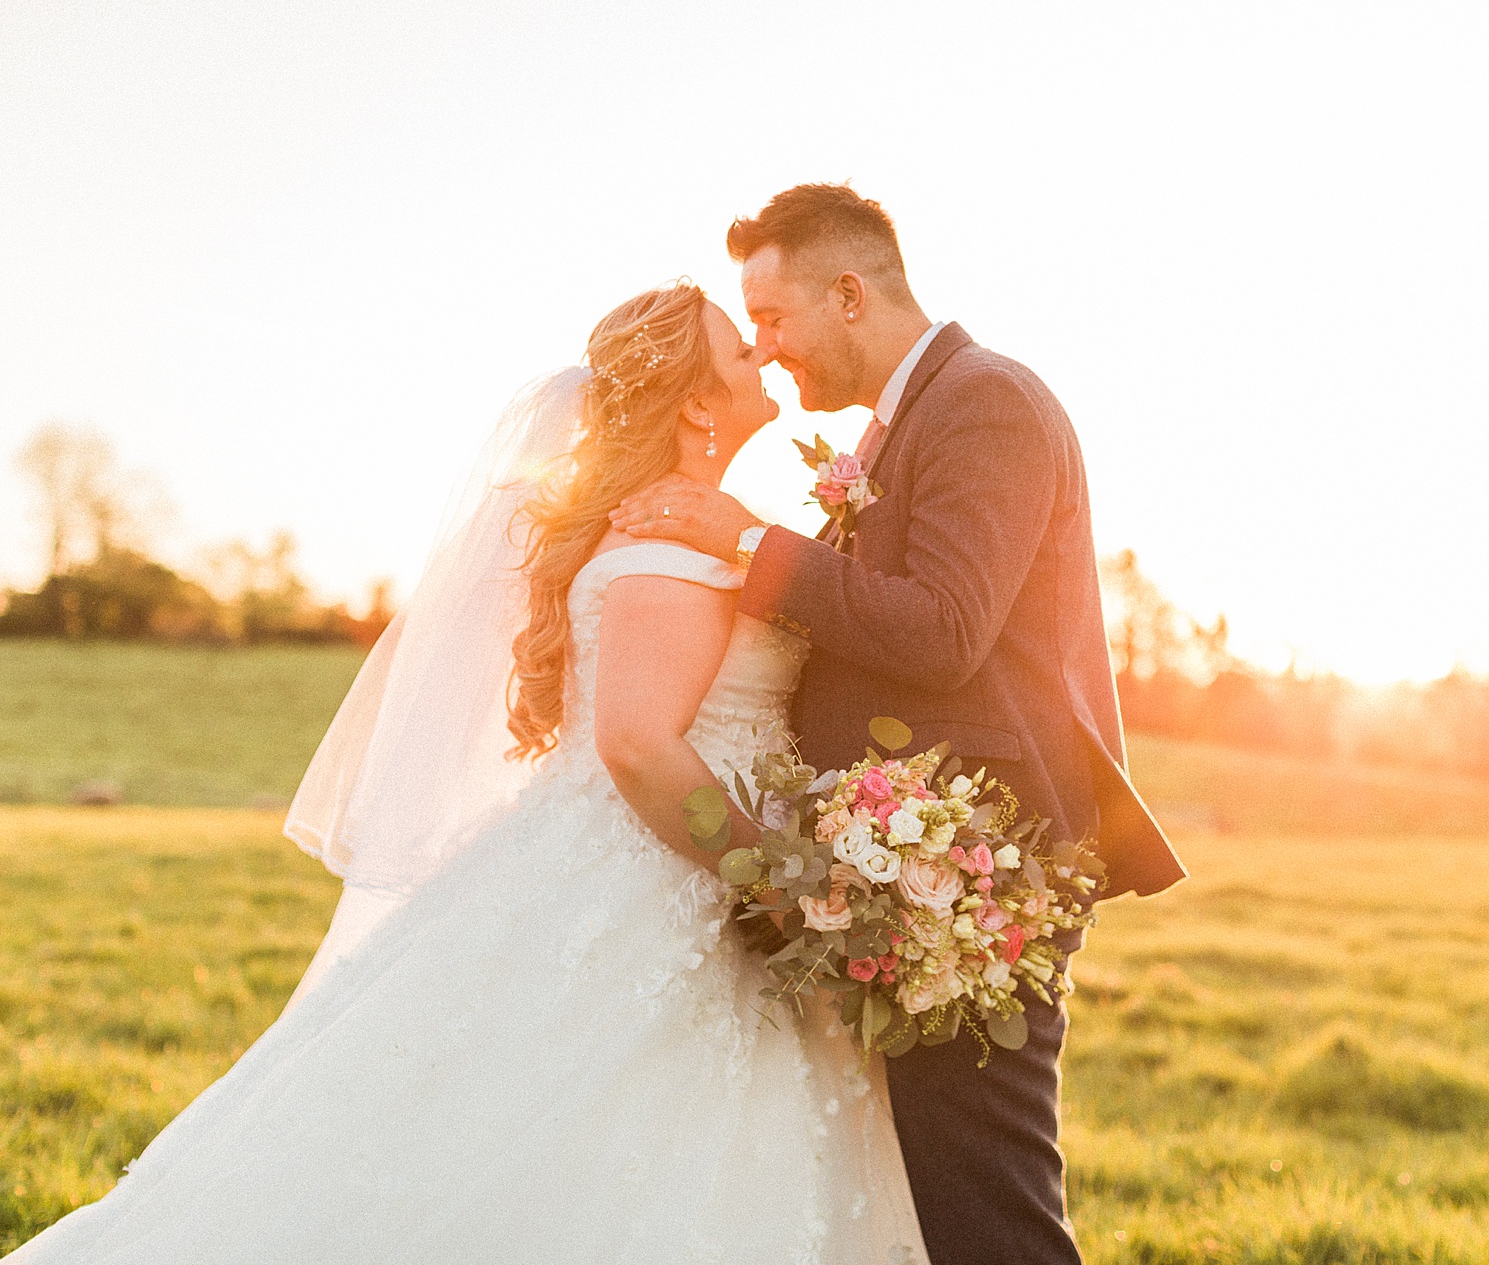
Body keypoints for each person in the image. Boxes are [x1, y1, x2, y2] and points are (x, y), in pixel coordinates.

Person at [9, 283, 930, 1264]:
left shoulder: (694, 525)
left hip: (628, 863)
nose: (760, 353)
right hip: (671, 879)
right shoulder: (665, 544)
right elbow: (635, 744)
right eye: (738, 352)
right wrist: (777, 882)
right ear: (698, 405)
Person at [610, 185, 1186, 1265]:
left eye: (773, 320)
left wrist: (746, 543)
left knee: (986, 1208)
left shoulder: (986, 402)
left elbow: (943, 629)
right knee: (932, 1201)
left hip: (975, 869)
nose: (768, 351)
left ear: (847, 292)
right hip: (905, 863)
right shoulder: (907, 421)